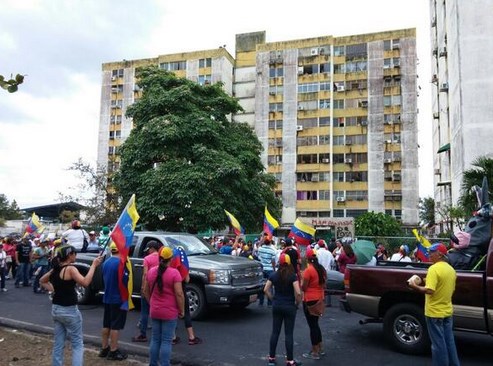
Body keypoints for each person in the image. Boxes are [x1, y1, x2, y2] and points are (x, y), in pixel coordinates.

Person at [39, 245, 102, 366]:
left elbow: (42, 280)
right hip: (69, 311)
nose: (76, 256)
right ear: (69, 255)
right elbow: (85, 282)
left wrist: (53, 289)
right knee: (77, 344)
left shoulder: (55, 269)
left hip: (56, 309)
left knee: (58, 343)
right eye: (75, 253)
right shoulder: (70, 269)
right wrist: (93, 265)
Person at [408, 243, 460, 366]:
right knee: (449, 342)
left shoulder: (433, 269)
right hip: (447, 311)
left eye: (431, 252)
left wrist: (414, 286)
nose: (428, 254)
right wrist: (427, 280)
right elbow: (446, 287)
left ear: (440, 254)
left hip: (434, 313)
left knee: (438, 345)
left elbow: (430, 290)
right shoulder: (451, 270)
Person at [145, 246, 185, 366]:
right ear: (171, 259)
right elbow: (179, 294)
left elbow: (145, 290)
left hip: (155, 310)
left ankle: (152, 364)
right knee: (166, 341)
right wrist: (181, 310)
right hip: (169, 311)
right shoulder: (174, 273)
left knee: (155, 339)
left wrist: (151, 303)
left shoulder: (151, 272)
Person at [264, 253, 302, 366]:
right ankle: (290, 361)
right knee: (288, 334)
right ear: (289, 262)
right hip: (290, 306)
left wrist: (272, 299)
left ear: (279, 263)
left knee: (275, 332)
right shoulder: (292, 276)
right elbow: (298, 292)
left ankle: (271, 358)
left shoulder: (274, 275)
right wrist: (297, 303)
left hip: (277, 305)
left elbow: (266, 289)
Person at [98, 242, 128, 361]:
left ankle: (104, 348)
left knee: (106, 324)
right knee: (115, 326)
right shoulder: (120, 263)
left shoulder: (106, 263)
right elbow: (124, 281)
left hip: (107, 297)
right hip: (118, 298)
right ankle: (113, 350)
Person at [170, 246, 202, 345]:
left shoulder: (170, 266)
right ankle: (191, 337)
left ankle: (173, 337)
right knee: (186, 313)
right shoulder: (183, 266)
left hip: (170, 292)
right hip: (181, 290)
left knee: (172, 314)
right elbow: (187, 280)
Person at [132, 240, 162, 343]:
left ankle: (143, 334)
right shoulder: (161, 258)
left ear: (152, 248)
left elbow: (145, 275)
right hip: (159, 287)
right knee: (158, 309)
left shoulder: (147, 259)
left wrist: (143, 288)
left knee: (145, 311)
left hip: (149, 286)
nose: (148, 251)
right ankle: (159, 333)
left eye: (148, 249)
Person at [301, 247, 327, 360]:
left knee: (313, 326)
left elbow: (304, 287)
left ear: (307, 258)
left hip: (309, 300)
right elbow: (324, 284)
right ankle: (320, 348)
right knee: (316, 324)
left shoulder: (308, 270)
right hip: (319, 299)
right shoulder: (321, 269)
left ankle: (315, 351)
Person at [257, 237, 277, 307]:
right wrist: (274, 269)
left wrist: (261, 239)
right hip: (270, 269)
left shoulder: (260, 249)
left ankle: (261, 302)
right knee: (270, 286)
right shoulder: (272, 251)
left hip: (262, 268)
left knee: (261, 285)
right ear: (270, 242)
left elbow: (258, 247)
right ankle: (270, 303)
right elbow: (273, 261)